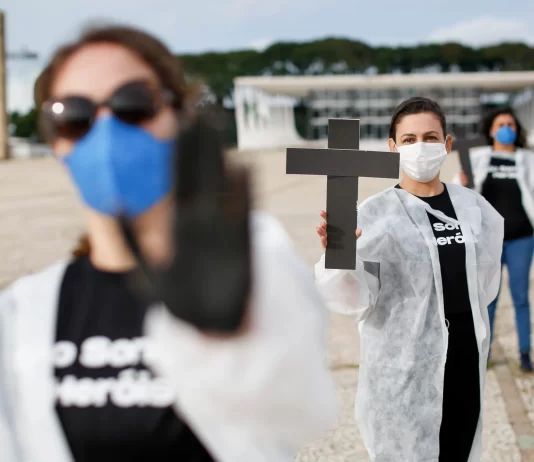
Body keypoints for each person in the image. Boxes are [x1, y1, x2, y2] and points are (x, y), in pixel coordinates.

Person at [0, 25, 338, 462]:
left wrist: (224, 334)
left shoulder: (253, 266)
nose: (106, 129)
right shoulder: (22, 312)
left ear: (181, 119)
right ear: (56, 144)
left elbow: (301, 410)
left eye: (133, 104)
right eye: (74, 115)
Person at [315, 97, 503, 461]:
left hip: (464, 355)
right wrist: (340, 258)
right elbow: (354, 299)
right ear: (393, 147)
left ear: (447, 144)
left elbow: (486, 278)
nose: (421, 147)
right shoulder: (374, 214)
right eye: (409, 139)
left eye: (431, 138)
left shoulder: (473, 208)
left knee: (458, 448)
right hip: (403, 364)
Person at [454, 107, 534, 371]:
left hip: (522, 238)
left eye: (511, 124)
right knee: (489, 297)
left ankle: (525, 353)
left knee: (521, 297)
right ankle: (483, 352)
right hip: (489, 240)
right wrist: (462, 183)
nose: (506, 129)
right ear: (490, 130)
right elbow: (459, 192)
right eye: (501, 124)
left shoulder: (528, 159)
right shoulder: (477, 158)